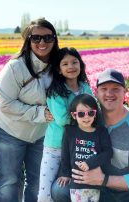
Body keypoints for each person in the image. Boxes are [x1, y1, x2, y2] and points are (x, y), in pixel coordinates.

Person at [51, 69, 129, 202]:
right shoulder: (88, 119)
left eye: (115, 88)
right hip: (100, 187)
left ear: (124, 92)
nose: (109, 93)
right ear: (96, 93)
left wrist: (103, 179)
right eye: (104, 89)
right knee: (60, 190)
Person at [0, 18, 59, 202]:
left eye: (47, 37)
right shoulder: (15, 67)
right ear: (28, 40)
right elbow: (5, 104)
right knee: (9, 182)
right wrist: (40, 113)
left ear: (54, 39)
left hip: (41, 134)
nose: (42, 43)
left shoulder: (59, 66)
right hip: (8, 131)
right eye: (36, 38)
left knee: (37, 182)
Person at [38, 47, 93, 201]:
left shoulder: (84, 87)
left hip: (79, 147)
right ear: (59, 69)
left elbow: (95, 108)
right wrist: (87, 119)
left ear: (81, 65)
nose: (71, 67)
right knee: (45, 192)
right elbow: (62, 119)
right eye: (65, 64)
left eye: (75, 62)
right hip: (55, 147)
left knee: (75, 191)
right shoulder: (56, 91)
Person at [58, 93, 113, 202]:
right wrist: (65, 174)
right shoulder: (69, 131)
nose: (86, 117)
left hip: (95, 182)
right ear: (74, 115)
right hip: (76, 183)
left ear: (95, 114)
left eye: (90, 113)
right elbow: (65, 155)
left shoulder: (101, 132)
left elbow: (108, 153)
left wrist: (90, 163)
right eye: (81, 114)